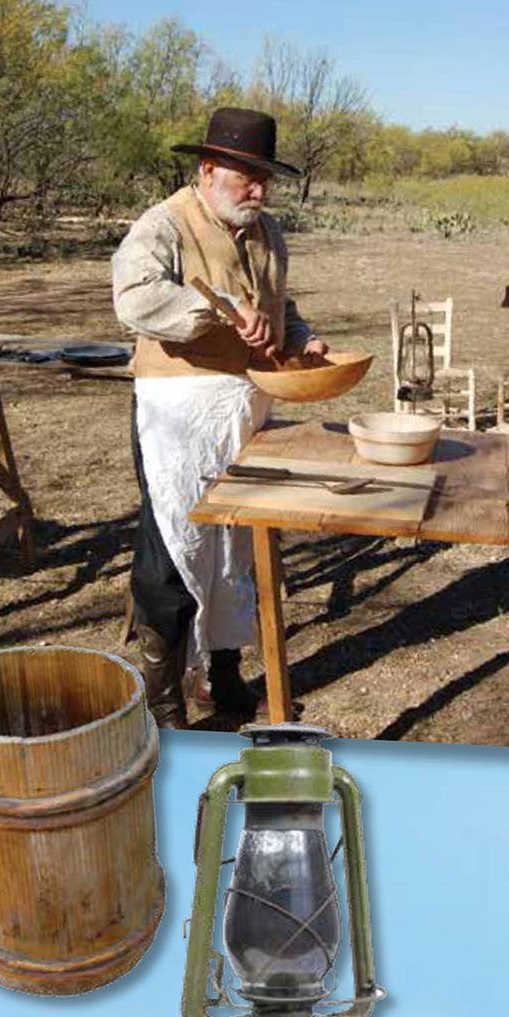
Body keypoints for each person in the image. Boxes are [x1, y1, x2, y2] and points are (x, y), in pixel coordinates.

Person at [112, 106, 327, 727]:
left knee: (235, 548)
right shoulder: (165, 225)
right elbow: (134, 298)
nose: (258, 190)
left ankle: (223, 679)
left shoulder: (267, 235)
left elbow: (280, 307)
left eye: (265, 178)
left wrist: (304, 338)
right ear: (208, 171)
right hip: (177, 415)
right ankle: (161, 699)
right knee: (175, 551)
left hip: (246, 407)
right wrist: (217, 310)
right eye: (245, 177)